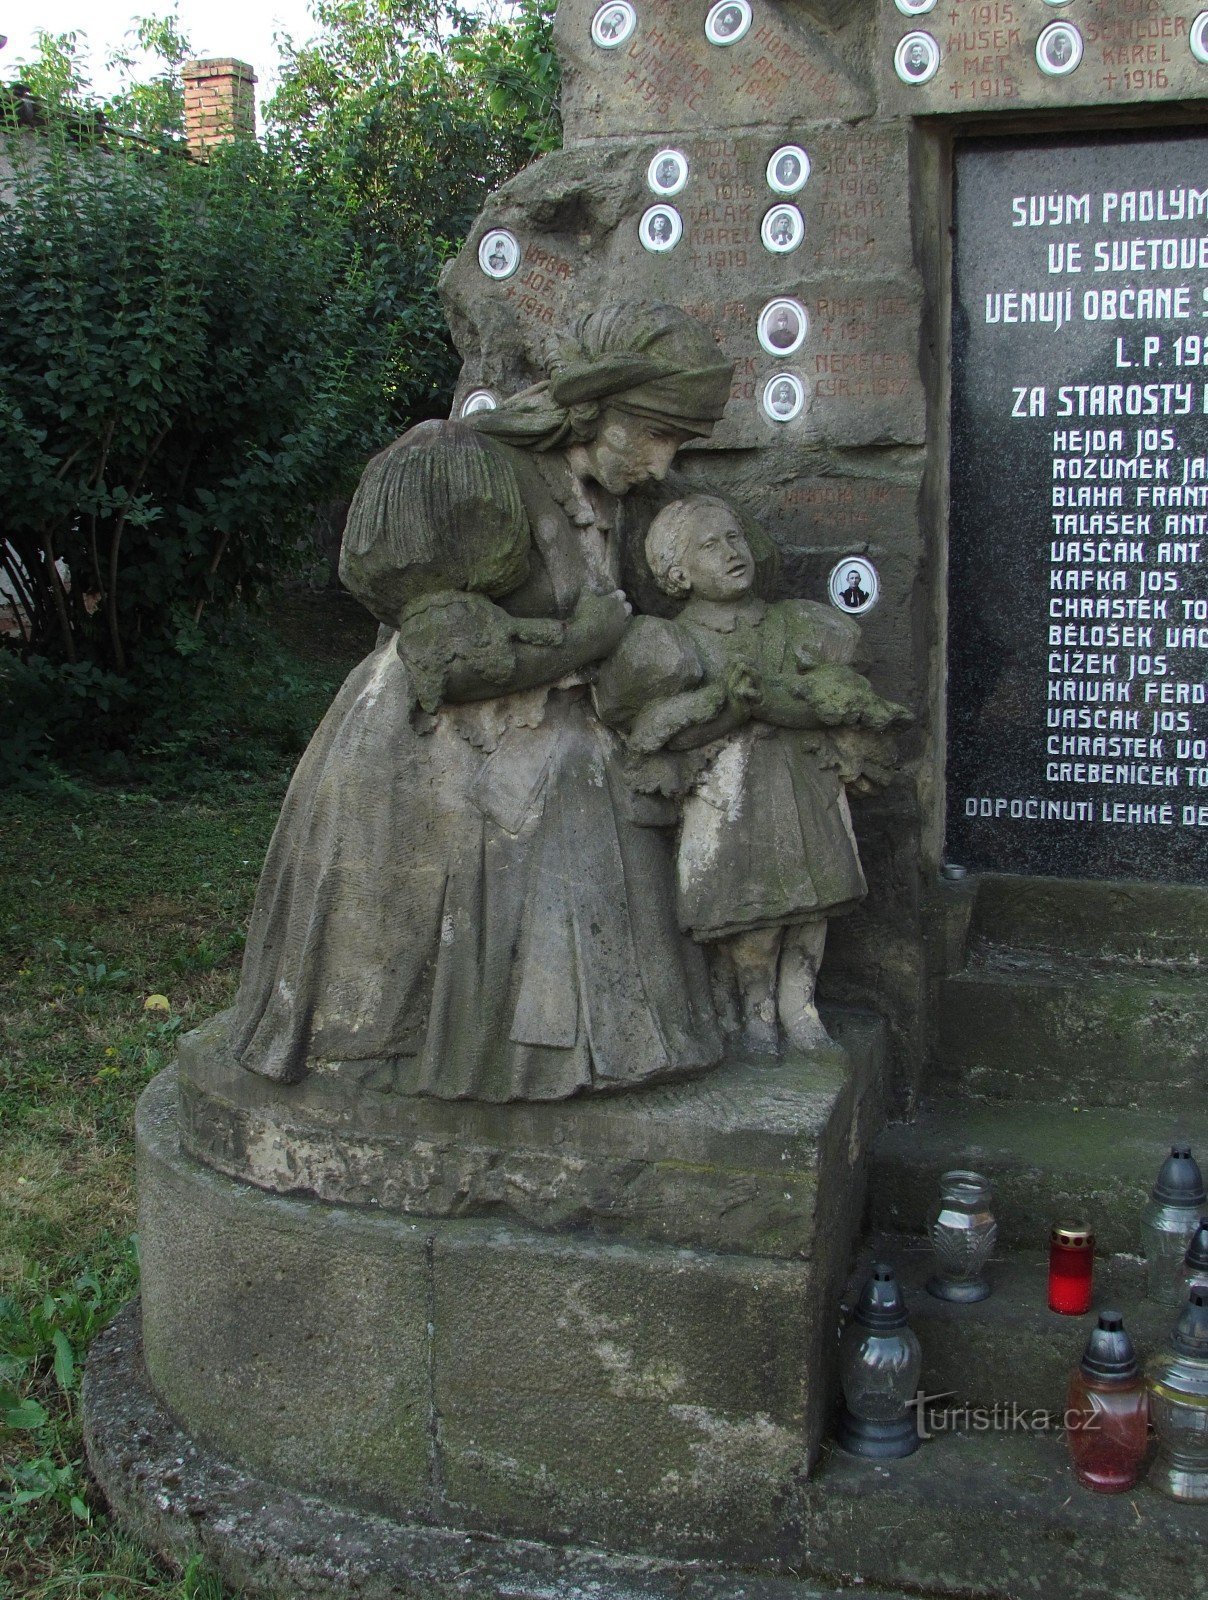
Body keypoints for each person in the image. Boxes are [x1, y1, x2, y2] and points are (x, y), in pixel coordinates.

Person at [230, 304, 734, 1102]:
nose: (665, 463)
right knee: (570, 787)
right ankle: (454, 1057)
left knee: (594, 781)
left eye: (680, 441)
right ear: (595, 407)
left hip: (549, 737)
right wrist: (587, 641)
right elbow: (446, 664)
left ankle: (582, 1056)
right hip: (433, 748)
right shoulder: (470, 470)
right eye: (658, 433)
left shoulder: (607, 497)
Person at [595, 495, 907, 1053]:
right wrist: (730, 708)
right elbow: (661, 734)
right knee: (754, 915)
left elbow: (836, 699)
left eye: (733, 538)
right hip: (732, 797)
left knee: (816, 901)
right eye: (709, 546)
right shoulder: (673, 644)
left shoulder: (795, 624)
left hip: (805, 781)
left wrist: (789, 703)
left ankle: (800, 1005)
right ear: (677, 574)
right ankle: (755, 1009)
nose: (730, 553)